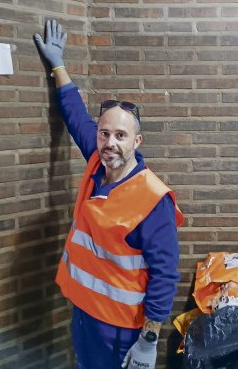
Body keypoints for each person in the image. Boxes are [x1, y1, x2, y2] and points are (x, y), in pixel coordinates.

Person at [34, 19, 184, 369]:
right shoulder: (97, 161)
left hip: (119, 328)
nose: (110, 142)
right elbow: (75, 115)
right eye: (104, 134)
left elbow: (165, 274)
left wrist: (149, 339)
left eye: (120, 135)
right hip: (84, 314)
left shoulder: (152, 198)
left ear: (136, 141)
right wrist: (57, 65)